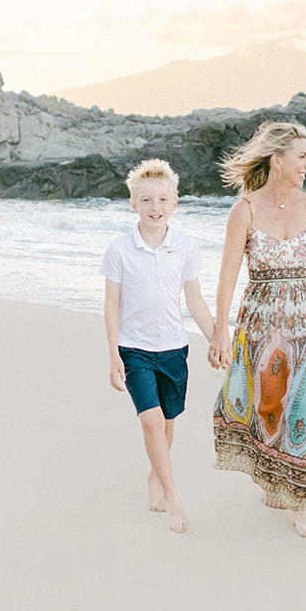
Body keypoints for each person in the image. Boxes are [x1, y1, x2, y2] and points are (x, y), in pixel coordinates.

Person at [207, 121, 306, 538]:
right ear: (277, 162)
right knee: (269, 405)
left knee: (304, 408)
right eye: (302, 157)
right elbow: (227, 275)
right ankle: (275, 477)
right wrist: (220, 330)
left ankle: (299, 500)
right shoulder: (244, 210)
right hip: (261, 322)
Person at [101, 158, 214, 534]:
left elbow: (194, 300)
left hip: (174, 348)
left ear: (175, 203)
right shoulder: (119, 250)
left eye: (162, 200)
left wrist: (216, 338)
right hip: (134, 350)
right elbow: (112, 304)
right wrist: (115, 353)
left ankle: (154, 475)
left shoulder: (185, 247)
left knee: (166, 424)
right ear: (133, 203)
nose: (155, 208)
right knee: (150, 422)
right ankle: (173, 494)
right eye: (146, 200)